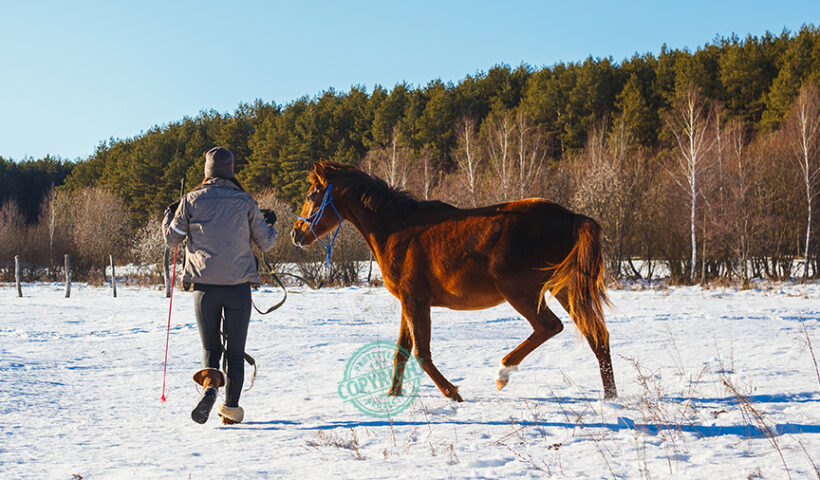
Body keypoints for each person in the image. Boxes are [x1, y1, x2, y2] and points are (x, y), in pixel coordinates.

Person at [162, 146, 278, 425]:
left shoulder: (190, 200)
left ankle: (210, 387)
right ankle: (231, 413)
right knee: (235, 353)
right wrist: (270, 224)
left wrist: (170, 215)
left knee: (211, 349)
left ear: (207, 172)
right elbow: (266, 242)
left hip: (204, 288)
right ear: (231, 170)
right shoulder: (246, 202)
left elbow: (172, 239)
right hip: (238, 287)